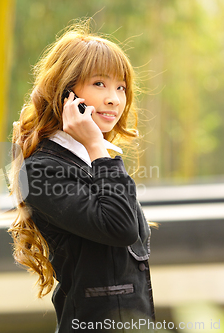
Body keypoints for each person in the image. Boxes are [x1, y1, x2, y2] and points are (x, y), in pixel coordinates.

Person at [8, 19, 156, 332]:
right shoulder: (41, 170)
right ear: (66, 94)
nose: (114, 98)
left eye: (121, 87)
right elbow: (120, 228)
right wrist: (95, 147)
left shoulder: (96, 159)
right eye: (100, 84)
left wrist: (97, 151)